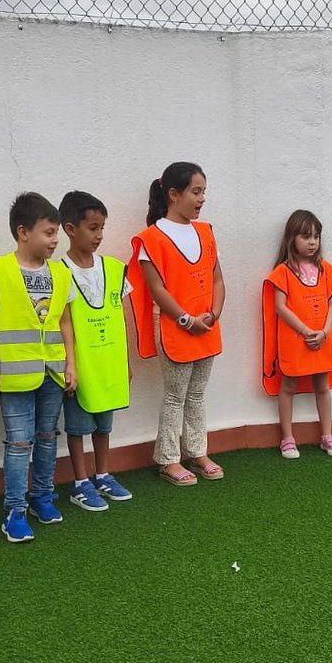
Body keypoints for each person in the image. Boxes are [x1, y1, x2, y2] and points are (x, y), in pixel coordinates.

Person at [0, 192, 77, 542]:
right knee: (19, 443)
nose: (55, 240)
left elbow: (65, 322)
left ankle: (42, 497)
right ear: (23, 232)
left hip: (53, 371)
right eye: (49, 233)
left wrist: (71, 364)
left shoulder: (60, 273)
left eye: (56, 234)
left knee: (48, 438)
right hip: (15, 375)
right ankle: (14, 510)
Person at [128, 162, 226, 487]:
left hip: (206, 328)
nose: (201, 199)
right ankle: (168, 459)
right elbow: (157, 290)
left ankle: (197, 452)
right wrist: (186, 320)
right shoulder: (150, 239)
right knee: (175, 396)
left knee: (197, 394)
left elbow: (217, 278)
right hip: (175, 329)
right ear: (173, 194)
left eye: (203, 192)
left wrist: (214, 314)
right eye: (195, 192)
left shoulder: (205, 231)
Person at [56, 190, 134, 510]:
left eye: (102, 227)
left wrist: (125, 361)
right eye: (92, 227)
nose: (99, 235)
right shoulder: (58, 273)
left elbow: (121, 317)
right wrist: (68, 365)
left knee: (104, 424)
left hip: (109, 362)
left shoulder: (114, 269)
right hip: (80, 365)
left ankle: (103, 474)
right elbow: (63, 324)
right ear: (70, 229)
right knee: (78, 426)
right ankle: (80, 481)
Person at [262, 209, 332, 459]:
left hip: (322, 340)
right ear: (291, 238)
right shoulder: (283, 272)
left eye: (316, 237)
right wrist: (307, 331)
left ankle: (327, 435)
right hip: (296, 341)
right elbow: (279, 307)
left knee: (322, 386)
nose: (312, 242)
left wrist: (324, 332)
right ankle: (287, 437)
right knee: (287, 386)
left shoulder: (327, 270)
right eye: (306, 236)